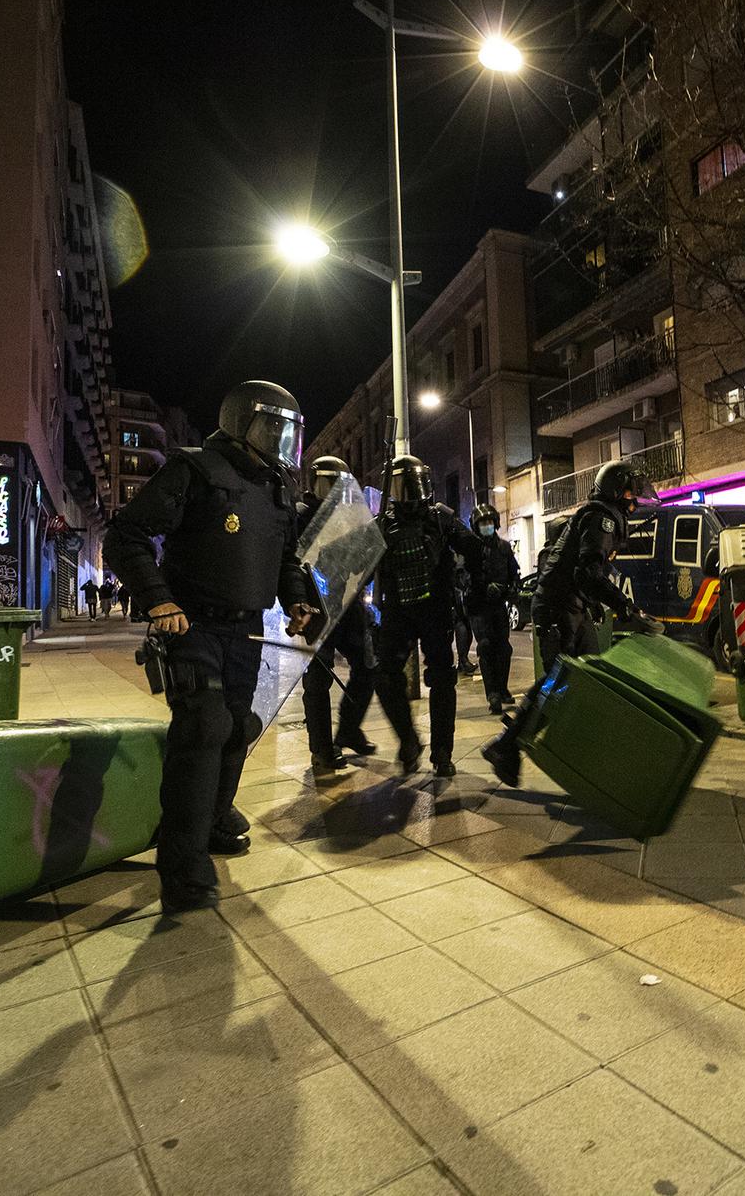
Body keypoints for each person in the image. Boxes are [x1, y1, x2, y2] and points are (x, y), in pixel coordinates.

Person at [106, 379, 312, 914]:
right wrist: (159, 602)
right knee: (203, 729)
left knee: (238, 728)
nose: (281, 439)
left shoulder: (276, 490)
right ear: (241, 421)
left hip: (246, 629)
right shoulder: (194, 469)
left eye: (288, 430)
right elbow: (125, 536)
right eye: (272, 426)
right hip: (191, 625)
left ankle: (215, 819)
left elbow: (286, 559)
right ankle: (182, 867)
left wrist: (298, 602)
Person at [481, 460, 661, 787]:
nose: (635, 502)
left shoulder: (598, 516)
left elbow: (582, 570)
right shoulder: (602, 519)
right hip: (557, 609)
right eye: (632, 494)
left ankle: (581, 750)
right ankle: (506, 746)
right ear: (617, 492)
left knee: (586, 678)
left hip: (570, 607)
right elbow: (587, 572)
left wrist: (592, 604)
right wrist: (624, 607)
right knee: (558, 682)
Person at [371, 455, 483, 778]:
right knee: (385, 675)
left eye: (413, 485)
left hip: (434, 610)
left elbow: (473, 547)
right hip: (397, 612)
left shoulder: (440, 519)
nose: (408, 494)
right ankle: (408, 740)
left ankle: (442, 751)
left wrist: (469, 580)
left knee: (443, 679)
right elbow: (354, 562)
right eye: (400, 487)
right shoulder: (381, 523)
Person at [297, 455, 389, 772]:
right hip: (315, 608)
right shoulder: (300, 516)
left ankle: (349, 729)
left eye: (340, 483)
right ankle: (321, 748)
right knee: (318, 680)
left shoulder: (351, 518)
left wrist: (371, 547)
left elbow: (364, 563)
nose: (334, 489)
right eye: (328, 482)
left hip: (347, 605)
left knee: (367, 667)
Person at [466, 503, 521, 715]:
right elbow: (462, 575)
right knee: (486, 647)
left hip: (498, 605)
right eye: (482, 523)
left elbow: (513, 572)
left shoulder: (504, 548)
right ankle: (493, 695)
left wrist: (511, 588)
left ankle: (502, 687)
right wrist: (482, 587)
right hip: (479, 607)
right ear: (476, 526)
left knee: (504, 649)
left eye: (489, 522)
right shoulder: (470, 549)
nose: (487, 526)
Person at [453, 557, 479, 678]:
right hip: (458, 598)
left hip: (461, 597)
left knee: (466, 628)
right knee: (462, 626)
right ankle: (463, 660)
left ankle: (463, 660)